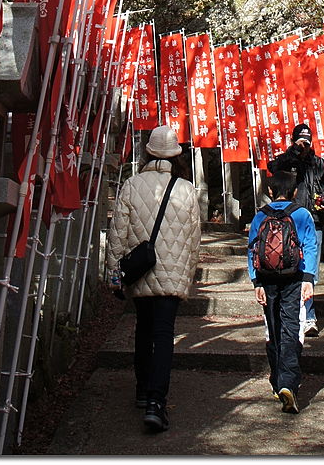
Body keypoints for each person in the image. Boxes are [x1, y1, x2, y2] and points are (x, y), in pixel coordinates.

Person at [106, 125, 201, 433]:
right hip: (171, 275)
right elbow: (193, 240)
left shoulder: (132, 185)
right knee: (163, 336)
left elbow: (118, 234)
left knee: (143, 330)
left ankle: (142, 388)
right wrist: (187, 277)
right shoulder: (186, 189)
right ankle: (156, 403)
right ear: (176, 155)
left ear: (148, 152)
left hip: (140, 271)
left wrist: (114, 274)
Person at [248, 170, 317, 414]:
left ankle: (277, 380)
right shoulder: (302, 214)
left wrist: (256, 282)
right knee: (292, 326)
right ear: (295, 191)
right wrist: (309, 279)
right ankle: (289, 382)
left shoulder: (260, 216)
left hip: (266, 279)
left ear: (269, 191)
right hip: (295, 278)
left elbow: (252, 249)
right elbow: (310, 245)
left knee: (272, 326)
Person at [268, 122, 324, 335]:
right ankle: (289, 314)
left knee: (310, 272)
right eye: (301, 140)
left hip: (313, 222)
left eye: (308, 141)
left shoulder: (319, 164)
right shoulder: (287, 161)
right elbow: (273, 169)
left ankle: (308, 317)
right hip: (286, 222)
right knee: (286, 268)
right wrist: (294, 152)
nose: (305, 145)